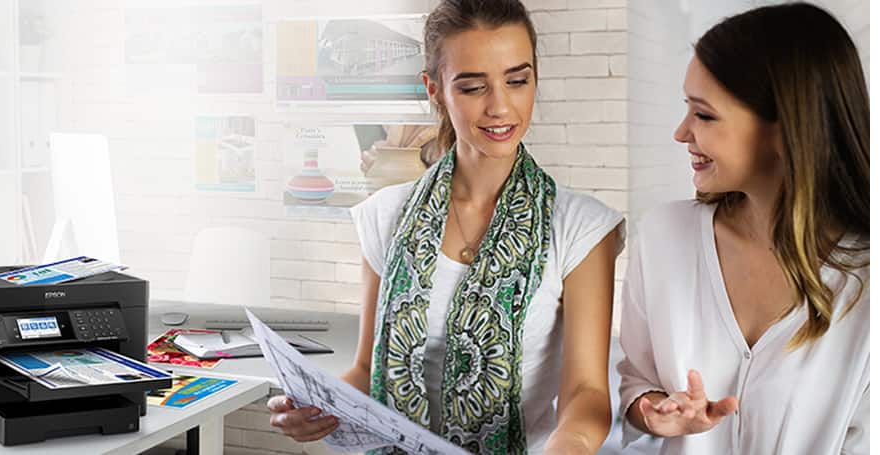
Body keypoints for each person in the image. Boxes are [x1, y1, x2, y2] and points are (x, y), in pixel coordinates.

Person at [265, 0, 625, 453]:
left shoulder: (579, 227)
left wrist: (567, 445)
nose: (500, 107)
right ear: (434, 89)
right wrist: (315, 408)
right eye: (474, 87)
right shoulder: (386, 214)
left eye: (518, 80)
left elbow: (586, 393)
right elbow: (365, 369)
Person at [614, 3, 870, 454]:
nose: (681, 132)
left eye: (705, 115)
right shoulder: (662, 238)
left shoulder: (868, 284)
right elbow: (638, 382)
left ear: (786, 128)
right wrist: (654, 410)